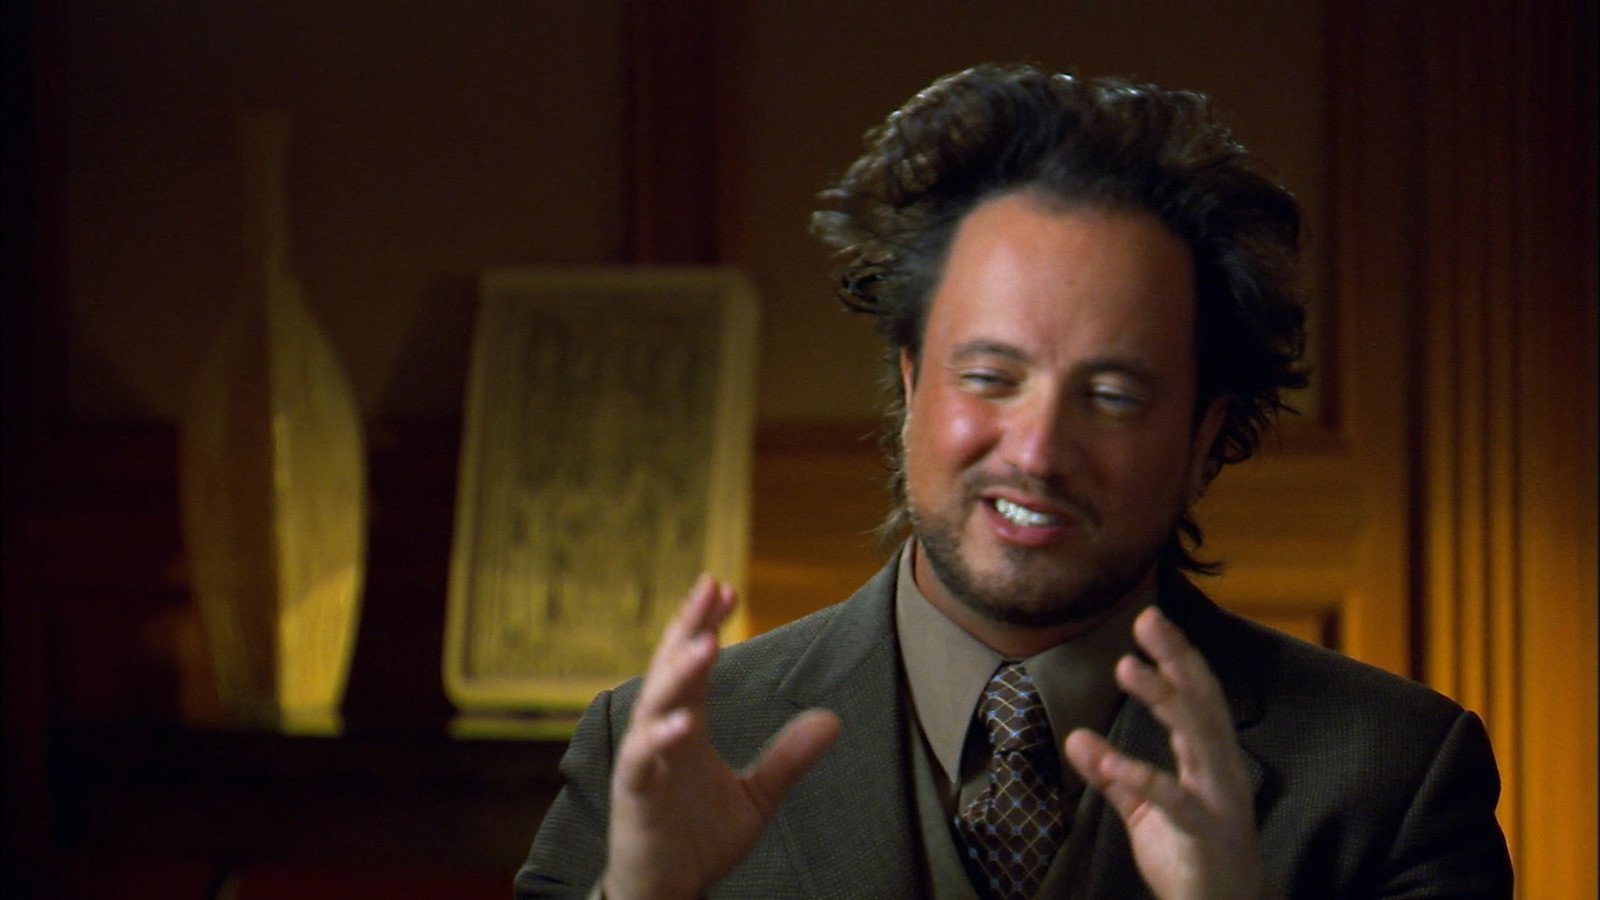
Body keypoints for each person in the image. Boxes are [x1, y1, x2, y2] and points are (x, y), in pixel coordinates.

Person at [515, 63, 1513, 898]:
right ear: (912, 382)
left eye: (1112, 396)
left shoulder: (1394, 777)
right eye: (990, 377)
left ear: (1205, 434)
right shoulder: (656, 754)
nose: (1036, 450)